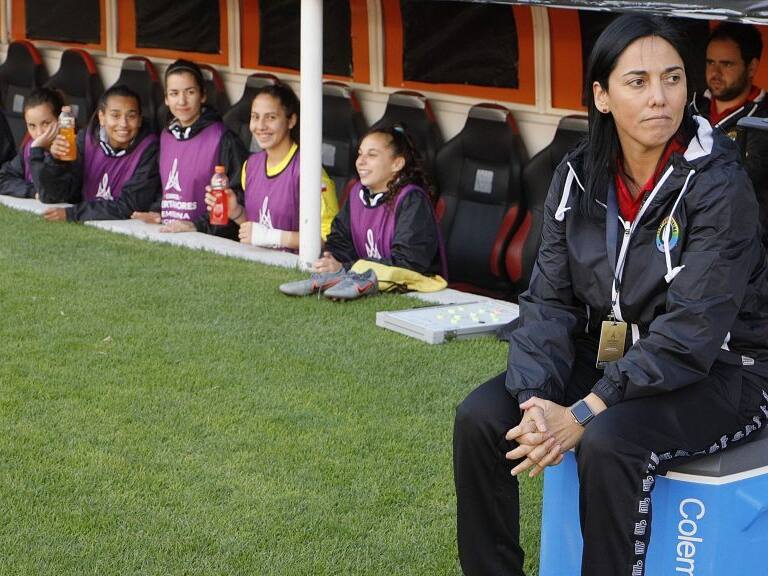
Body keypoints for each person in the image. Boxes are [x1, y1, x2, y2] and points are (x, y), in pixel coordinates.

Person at [453, 14, 768, 576]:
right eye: (637, 81)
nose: (659, 98)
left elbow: (694, 331)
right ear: (601, 96)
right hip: (617, 357)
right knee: (482, 417)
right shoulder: (577, 176)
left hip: (724, 370)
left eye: (673, 79)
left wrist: (585, 408)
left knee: (608, 440)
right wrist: (534, 403)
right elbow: (549, 301)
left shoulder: (720, 183)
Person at [279, 123, 446, 300]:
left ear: (397, 164)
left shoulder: (412, 200)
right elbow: (340, 241)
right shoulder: (357, 193)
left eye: (372, 155)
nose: (361, 161)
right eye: (360, 154)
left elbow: (408, 263)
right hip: (358, 276)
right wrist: (332, 262)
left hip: (420, 292)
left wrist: (346, 268)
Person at [200, 82, 338, 249]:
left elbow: (329, 239)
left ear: (291, 120)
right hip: (259, 267)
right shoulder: (250, 166)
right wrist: (236, 212)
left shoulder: (308, 172)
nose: (260, 126)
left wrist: (275, 237)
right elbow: (257, 231)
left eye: (271, 117)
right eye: (255, 117)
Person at [131, 59, 248, 232]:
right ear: (166, 99)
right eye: (174, 93)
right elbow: (164, 188)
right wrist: (156, 212)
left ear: (203, 95)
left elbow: (238, 199)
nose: (182, 101)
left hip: (209, 239)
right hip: (170, 233)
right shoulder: (166, 136)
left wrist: (197, 226)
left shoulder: (223, 139)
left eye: (190, 92)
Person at [32, 85, 161, 222]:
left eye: (131, 116)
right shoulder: (86, 139)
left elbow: (130, 205)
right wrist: (56, 162)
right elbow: (53, 196)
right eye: (115, 115)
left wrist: (73, 214)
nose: (123, 123)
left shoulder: (150, 148)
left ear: (140, 120)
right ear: (102, 117)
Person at [691, 22, 768, 245]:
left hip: (747, 243)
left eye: (726, 64)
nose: (715, 73)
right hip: (688, 235)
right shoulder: (690, 105)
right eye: (710, 62)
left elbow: (744, 176)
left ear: (751, 67)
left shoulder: (762, 118)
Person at [0, 88, 62, 198]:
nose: (39, 133)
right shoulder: (28, 148)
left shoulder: (70, 149)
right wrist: (33, 192)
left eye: (45, 123)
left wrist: (37, 150)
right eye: (32, 126)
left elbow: (50, 194)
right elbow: (2, 178)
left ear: (60, 120)